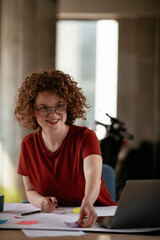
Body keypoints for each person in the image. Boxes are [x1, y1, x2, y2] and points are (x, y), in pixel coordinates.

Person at [14, 69, 116, 228]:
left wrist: (87, 202)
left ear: (68, 106)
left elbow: (93, 176)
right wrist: (42, 201)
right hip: (56, 220)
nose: (53, 114)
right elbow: (30, 190)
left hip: (96, 215)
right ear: (32, 110)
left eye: (59, 106)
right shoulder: (28, 144)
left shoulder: (86, 137)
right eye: (44, 108)